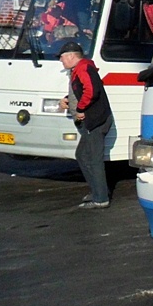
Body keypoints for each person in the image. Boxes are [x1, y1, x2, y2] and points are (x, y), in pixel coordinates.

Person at [57, 40, 113, 209]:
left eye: (62, 57)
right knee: (82, 155)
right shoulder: (78, 70)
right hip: (90, 122)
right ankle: (97, 191)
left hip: (94, 121)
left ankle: (101, 198)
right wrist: (67, 101)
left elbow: (91, 90)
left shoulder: (84, 68)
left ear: (72, 56)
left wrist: (81, 108)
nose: (61, 61)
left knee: (93, 159)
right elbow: (80, 91)